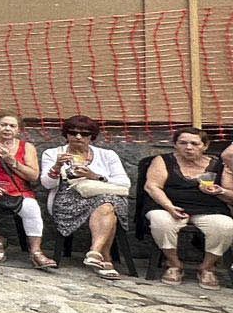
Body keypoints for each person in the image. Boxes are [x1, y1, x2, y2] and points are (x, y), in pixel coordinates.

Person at [40, 117, 130, 279]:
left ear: (92, 136)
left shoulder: (107, 155)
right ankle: (104, 257)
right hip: (67, 199)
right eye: (73, 133)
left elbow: (125, 182)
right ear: (66, 135)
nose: (78, 137)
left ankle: (95, 252)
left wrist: (94, 176)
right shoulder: (53, 153)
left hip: (103, 196)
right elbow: (47, 184)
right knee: (109, 205)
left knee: (107, 203)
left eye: (84, 134)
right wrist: (56, 166)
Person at [142, 127, 233, 286]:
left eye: (194, 143)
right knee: (161, 221)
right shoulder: (163, 160)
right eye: (182, 143)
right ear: (175, 145)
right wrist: (169, 206)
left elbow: (230, 194)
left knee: (225, 225)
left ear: (205, 146)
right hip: (168, 207)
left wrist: (220, 191)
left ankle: (207, 267)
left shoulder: (219, 164)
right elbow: (152, 186)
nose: (188, 147)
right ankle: (174, 264)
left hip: (208, 209)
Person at [0, 113, 55, 268]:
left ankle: (36, 252)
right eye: (3, 125)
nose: (7, 128)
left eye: (12, 126)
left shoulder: (27, 147)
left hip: (18, 190)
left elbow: (33, 176)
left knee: (32, 208)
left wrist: (12, 162)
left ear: (19, 130)